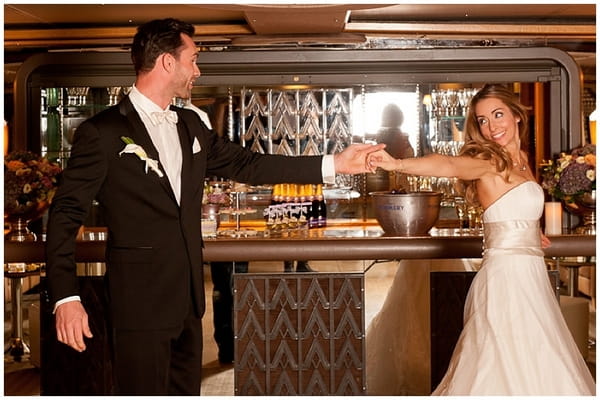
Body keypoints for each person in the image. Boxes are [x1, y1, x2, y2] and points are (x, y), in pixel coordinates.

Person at [45, 18, 383, 395]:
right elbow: (64, 214)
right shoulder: (101, 131)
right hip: (138, 303)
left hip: (189, 303)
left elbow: (250, 165)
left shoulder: (191, 122)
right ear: (167, 63)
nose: (198, 70)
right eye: (193, 59)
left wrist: (334, 163)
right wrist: (65, 296)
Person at [367, 84, 595, 395]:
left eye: (497, 115)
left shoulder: (523, 161)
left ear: (517, 116)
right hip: (505, 279)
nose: (491, 126)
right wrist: (397, 164)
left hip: (531, 275)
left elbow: (515, 207)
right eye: (483, 120)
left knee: (537, 359)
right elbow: (448, 165)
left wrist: (528, 231)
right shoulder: (490, 162)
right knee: (499, 363)